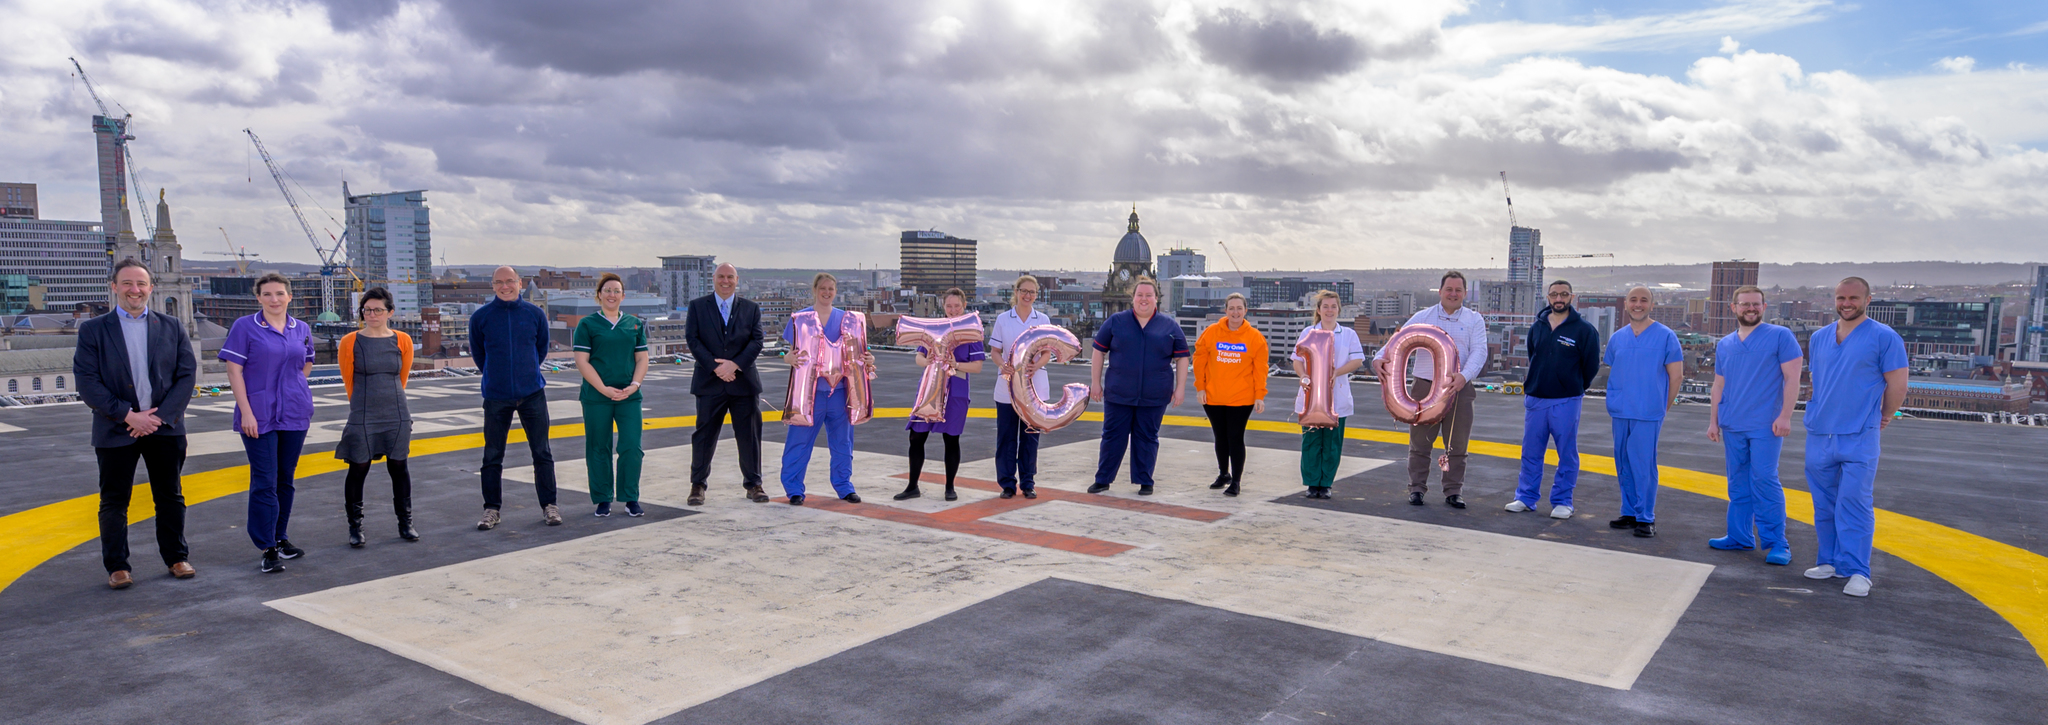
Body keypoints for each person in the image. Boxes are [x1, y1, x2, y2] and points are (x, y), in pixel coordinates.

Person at [74, 258, 198, 589]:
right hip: (116, 427)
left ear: (151, 288)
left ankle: (176, 557)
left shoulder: (172, 326)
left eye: (141, 284)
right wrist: (128, 415)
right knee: (114, 500)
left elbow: (186, 376)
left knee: (170, 496)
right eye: (127, 283)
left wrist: (156, 418)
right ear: (114, 287)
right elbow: (87, 382)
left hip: (165, 428)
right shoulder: (93, 330)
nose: (135, 290)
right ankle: (117, 566)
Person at [1802, 277, 1907, 598]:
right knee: (1824, 504)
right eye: (1840, 298)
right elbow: (1818, 381)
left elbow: (1898, 384)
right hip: (1820, 432)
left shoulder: (1884, 337)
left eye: (1853, 298)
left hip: (1859, 434)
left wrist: (1884, 416)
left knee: (1855, 502)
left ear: (1868, 300)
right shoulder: (1820, 338)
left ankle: (1859, 570)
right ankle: (1830, 562)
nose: (1846, 303)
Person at [220, 272, 315, 573]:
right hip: (258, 415)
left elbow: (307, 361)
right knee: (265, 481)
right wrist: (246, 411)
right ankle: (266, 546)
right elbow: (234, 372)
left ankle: (281, 537)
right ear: (258, 297)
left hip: (295, 413)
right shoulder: (245, 327)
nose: (274, 299)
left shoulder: (300, 328)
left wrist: (296, 388)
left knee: (285, 479)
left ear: (289, 296)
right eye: (268, 294)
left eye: (280, 293)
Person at [1373, 271, 1488, 508]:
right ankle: (1416, 489)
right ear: (1440, 291)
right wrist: (1377, 358)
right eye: (1449, 289)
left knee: (1457, 445)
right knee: (1420, 444)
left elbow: (1480, 351)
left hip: (1460, 388)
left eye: (1458, 290)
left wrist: (1464, 376)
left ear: (1465, 293)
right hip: (1424, 387)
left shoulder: (1474, 319)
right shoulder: (1422, 316)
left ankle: (1453, 491)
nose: (1453, 294)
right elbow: (1396, 342)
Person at [1707, 285, 1804, 564]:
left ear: (1764, 307)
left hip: (1766, 424)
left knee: (1764, 479)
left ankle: (1777, 543)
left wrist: (1786, 415)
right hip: (1733, 423)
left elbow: (1793, 378)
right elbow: (1718, 385)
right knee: (1738, 483)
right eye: (1745, 304)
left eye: (1755, 304)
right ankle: (1739, 537)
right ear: (1733, 307)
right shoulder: (1725, 344)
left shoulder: (1780, 337)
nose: (1750, 308)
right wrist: (1713, 421)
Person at [470, 265, 560, 530]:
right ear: (493, 285)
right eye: (499, 282)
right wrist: (496, 376)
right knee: (492, 455)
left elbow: (540, 349)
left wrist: (525, 372)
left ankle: (549, 506)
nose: (505, 286)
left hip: (532, 393)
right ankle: (491, 509)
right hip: (497, 397)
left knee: (542, 452)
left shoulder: (535, 314)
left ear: (519, 283)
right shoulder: (481, 317)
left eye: (510, 281)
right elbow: (479, 355)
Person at [1506, 280, 1601, 519]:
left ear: (1572, 297)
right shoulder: (1537, 326)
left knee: (1566, 453)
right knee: (1530, 452)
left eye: (1564, 294)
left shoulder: (1584, 330)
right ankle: (1525, 498)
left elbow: (1590, 367)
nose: (1559, 298)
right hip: (1536, 399)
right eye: (1554, 294)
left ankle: (1562, 501)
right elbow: (1533, 355)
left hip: (1566, 401)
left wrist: (1574, 386)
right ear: (1548, 297)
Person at [1087, 276, 1190, 496]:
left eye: (1148, 295)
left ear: (1156, 299)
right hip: (1119, 393)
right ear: (1132, 298)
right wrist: (1095, 383)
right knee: (1113, 436)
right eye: (1140, 295)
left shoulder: (1169, 325)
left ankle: (1145, 480)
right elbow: (1098, 351)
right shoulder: (1115, 321)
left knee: (1147, 437)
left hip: (1155, 394)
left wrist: (1180, 387)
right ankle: (1103, 479)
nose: (1144, 299)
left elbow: (1182, 357)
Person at [781, 272, 876, 505]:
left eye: (830, 289)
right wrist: (788, 359)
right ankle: (794, 489)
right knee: (799, 441)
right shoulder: (800, 318)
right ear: (815, 290)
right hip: (808, 395)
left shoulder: (848, 319)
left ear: (836, 292)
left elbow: (859, 354)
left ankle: (844, 486)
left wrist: (869, 360)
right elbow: (789, 353)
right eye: (822, 288)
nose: (826, 292)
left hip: (840, 394)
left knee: (843, 443)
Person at [336, 287, 419, 547]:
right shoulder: (350, 341)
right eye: (367, 310)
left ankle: (406, 524)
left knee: (399, 467)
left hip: (396, 411)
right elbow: (348, 380)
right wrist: (360, 408)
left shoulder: (402, 339)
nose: (371, 314)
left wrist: (394, 404)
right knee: (358, 467)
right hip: (363, 412)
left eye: (378, 310)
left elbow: (401, 376)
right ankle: (355, 527)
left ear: (390, 312)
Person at [1601, 287, 1683, 538]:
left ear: (1651, 304)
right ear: (1626, 304)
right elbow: (1615, 370)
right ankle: (1629, 512)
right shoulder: (1618, 338)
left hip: (1648, 411)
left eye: (1643, 300)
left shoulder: (1666, 336)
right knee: (1623, 462)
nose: (1638, 304)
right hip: (1621, 409)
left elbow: (1676, 376)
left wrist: (1661, 408)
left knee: (1643, 464)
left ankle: (1646, 517)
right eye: (1633, 300)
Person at [686, 263, 769, 504]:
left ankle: (754, 484)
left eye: (730, 277)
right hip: (709, 382)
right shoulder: (698, 307)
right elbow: (693, 339)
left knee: (749, 436)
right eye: (721, 276)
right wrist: (716, 367)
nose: (725, 281)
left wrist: (734, 365)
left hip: (743, 383)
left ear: (737, 279)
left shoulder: (751, 308)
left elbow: (757, 340)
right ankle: (698, 485)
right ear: (713, 279)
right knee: (704, 437)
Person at [894, 288, 985, 502]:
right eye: (949, 306)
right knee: (916, 436)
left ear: (964, 306)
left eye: (957, 306)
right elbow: (919, 356)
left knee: (951, 439)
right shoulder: (934, 328)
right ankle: (912, 485)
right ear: (943, 307)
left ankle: (950, 487)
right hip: (929, 388)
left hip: (956, 390)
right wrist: (925, 362)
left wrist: (956, 364)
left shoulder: (972, 331)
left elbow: (978, 366)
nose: (953, 310)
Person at [574, 273, 649, 518]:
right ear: (599, 295)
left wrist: (635, 385)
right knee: (598, 447)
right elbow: (582, 361)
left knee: (631, 447)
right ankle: (602, 499)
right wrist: (603, 389)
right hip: (597, 396)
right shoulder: (587, 325)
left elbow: (642, 358)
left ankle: (630, 497)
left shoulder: (634, 324)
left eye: (616, 291)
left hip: (629, 396)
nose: (612, 294)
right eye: (607, 290)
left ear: (623, 296)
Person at [1192, 293, 1268, 497]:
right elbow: (1199, 361)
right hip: (1213, 396)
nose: (1235, 312)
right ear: (1225, 310)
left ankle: (1236, 481)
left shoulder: (1255, 338)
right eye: (1231, 308)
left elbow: (1261, 370)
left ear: (1246, 311)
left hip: (1241, 399)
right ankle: (1223, 473)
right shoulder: (1211, 332)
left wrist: (1259, 395)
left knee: (1235, 437)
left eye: (1239, 308)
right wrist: (1200, 388)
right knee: (1220, 436)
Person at [1292, 290, 1365, 500]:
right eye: (1325, 306)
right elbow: (1297, 359)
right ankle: (1312, 482)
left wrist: (1335, 372)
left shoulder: (1349, 334)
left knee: (1332, 443)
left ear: (1338, 309)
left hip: (1337, 396)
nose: (1329, 310)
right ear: (1318, 309)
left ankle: (1326, 483)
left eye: (1333, 306)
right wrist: (1304, 374)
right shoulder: (1308, 332)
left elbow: (1358, 360)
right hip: (1311, 397)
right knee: (1311, 441)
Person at [990, 274, 1051, 499]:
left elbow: (1047, 352)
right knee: (1006, 437)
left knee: (1030, 436)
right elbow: (995, 351)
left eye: (1032, 292)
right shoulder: (1003, 319)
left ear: (1036, 295)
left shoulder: (1043, 319)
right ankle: (1007, 483)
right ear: (1016, 292)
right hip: (1007, 388)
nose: (1027, 295)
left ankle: (1027, 482)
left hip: (1034, 389)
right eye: (1023, 291)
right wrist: (1002, 365)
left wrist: (1037, 365)